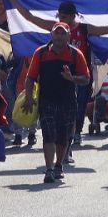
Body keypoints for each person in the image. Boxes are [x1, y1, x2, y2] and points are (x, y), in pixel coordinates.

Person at [20, 24, 91, 184]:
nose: (59, 37)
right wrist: (29, 97)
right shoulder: (41, 53)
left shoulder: (75, 54)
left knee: (63, 137)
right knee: (48, 135)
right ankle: (49, 169)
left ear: (68, 36)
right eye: (56, 33)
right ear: (51, 35)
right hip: (47, 100)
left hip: (68, 101)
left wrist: (71, 78)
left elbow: (86, 78)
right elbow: (30, 78)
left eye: (62, 34)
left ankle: (59, 165)